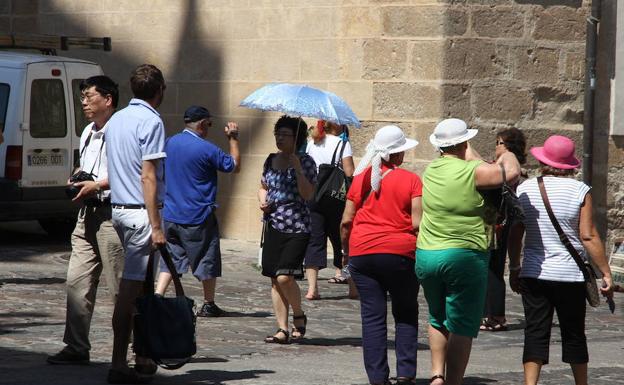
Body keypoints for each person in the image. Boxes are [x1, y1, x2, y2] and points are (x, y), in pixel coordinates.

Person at [416, 118, 521, 385]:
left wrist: (464, 148)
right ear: (464, 143)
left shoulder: (432, 170)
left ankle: (437, 375)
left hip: (427, 254)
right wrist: (506, 152)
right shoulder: (472, 171)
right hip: (464, 255)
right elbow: (510, 173)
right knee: (461, 324)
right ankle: (454, 381)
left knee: (437, 317)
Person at [508, 135, 614, 385]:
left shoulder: (525, 188)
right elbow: (587, 236)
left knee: (535, 331)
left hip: (535, 272)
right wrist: (605, 272)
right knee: (574, 332)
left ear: (543, 160)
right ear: (569, 164)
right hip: (570, 275)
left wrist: (514, 266)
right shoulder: (580, 190)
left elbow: (516, 231)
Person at [46, 76, 124, 365]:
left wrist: (99, 186)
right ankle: (77, 346)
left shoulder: (120, 131)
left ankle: (133, 350)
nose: (84, 102)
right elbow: (87, 165)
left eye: (89, 96)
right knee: (76, 282)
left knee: (121, 289)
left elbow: (130, 173)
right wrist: (78, 178)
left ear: (108, 100)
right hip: (87, 214)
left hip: (112, 216)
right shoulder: (89, 131)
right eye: (83, 97)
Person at [340, 125, 422, 385]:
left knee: (372, 318)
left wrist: (346, 252)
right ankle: (406, 374)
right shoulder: (411, 180)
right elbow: (418, 223)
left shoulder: (361, 178)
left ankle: (377, 378)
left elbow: (346, 221)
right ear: (397, 155)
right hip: (400, 253)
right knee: (406, 312)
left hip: (362, 254)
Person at [105, 64, 167, 384]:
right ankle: (118, 362)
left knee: (140, 287)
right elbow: (148, 175)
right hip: (140, 214)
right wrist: (156, 225)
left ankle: (142, 356)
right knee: (130, 290)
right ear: (159, 91)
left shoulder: (116, 119)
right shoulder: (151, 120)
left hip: (118, 209)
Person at [155, 106, 241, 317]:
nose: (209, 128)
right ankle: (209, 303)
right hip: (197, 215)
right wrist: (233, 138)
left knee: (171, 259)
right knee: (206, 259)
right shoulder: (207, 149)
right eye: (209, 124)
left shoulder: (169, 143)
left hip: (171, 214)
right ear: (202, 124)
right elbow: (234, 165)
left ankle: (158, 296)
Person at [258, 115, 317, 344]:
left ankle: (299, 313)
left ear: (297, 137)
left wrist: (298, 169)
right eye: (277, 134)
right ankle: (282, 329)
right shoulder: (270, 159)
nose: (279, 138)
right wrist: (262, 200)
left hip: (298, 225)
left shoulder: (307, 162)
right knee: (274, 278)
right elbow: (263, 186)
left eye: (285, 134)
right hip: (273, 223)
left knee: (285, 277)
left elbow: (307, 194)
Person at [481, 127, 527, 332]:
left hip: (496, 222)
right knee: (490, 268)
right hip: (494, 221)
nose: (496, 146)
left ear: (507, 145)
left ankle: (495, 316)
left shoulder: (507, 158)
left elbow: (511, 174)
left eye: (498, 142)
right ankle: (488, 315)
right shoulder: (502, 161)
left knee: (492, 269)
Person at [304, 120, 355, 300]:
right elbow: (349, 173)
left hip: (313, 196)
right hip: (336, 199)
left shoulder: (312, 142)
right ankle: (352, 289)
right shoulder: (342, 143)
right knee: (344, 241)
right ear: (336, 126)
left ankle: (312, 289)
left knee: (314, 240)